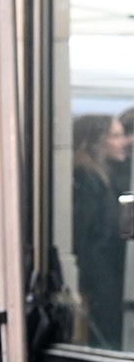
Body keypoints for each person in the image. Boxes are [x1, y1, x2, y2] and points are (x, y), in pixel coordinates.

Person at [71, 114, 128, 349]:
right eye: (116, 136)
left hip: (106, 273)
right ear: (95, 141)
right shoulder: (86, 178)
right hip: (99, 277)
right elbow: (88, 233)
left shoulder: (104, 175)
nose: (123, 141)